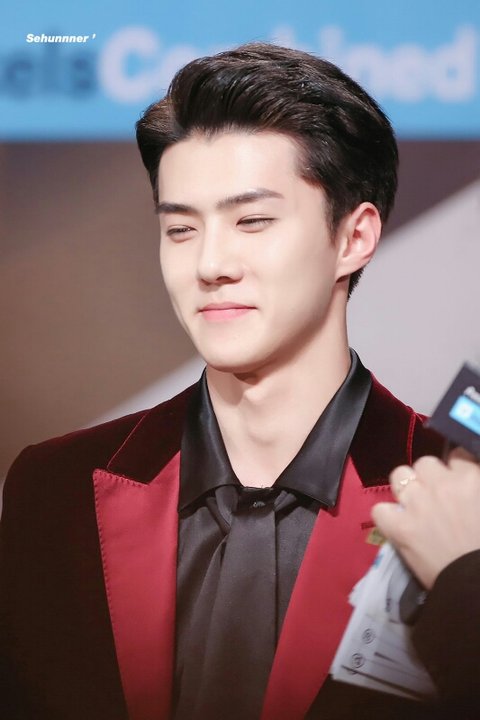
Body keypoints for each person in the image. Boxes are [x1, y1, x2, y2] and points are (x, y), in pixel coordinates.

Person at [0, 41, 472, 720]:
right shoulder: (55, 490)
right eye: (180, 229)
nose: (210, 263)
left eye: (252, 221)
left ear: (354, 237)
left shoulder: (455, 498)